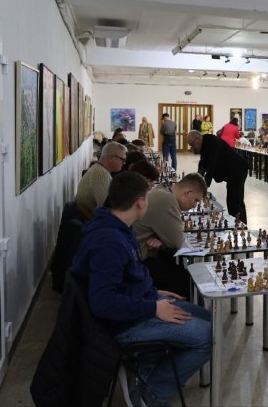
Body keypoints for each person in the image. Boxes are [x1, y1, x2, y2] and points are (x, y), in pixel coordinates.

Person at [71, 172, 211, 406]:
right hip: (126, 324)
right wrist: (153, 308)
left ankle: (141, 367)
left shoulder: (120, 228)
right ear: (140, 202)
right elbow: (103, 302)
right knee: (209, 336)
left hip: (142, 303)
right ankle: (148, 392)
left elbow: (130, 277)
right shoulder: (109, 241)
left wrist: (154, 292)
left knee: (206, 317)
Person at [134, 173, 207, 298]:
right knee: (187, 280)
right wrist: (166, 240)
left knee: (173, 262)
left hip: (139, 255)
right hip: (138, 263)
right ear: (188, 192)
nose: (195, 205)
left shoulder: (163, 190)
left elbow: (172, 236)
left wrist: (162, 240)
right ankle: (186, 309)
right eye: (196, 200)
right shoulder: (166, 199)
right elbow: (178, 241)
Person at [187, 130, 249, 223]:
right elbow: (203, 163)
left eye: (192, 145)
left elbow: (211, 166)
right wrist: (198, 179)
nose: (192, 148)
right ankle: (241, 224)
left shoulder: (212, 143)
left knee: (234, 202)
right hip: (234, 170)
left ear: (197, 140)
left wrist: (203, 188)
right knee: (236, 200)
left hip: (237, 169)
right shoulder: (205, 143)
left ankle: (239, 226)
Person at [75, 141, 127, 220]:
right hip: (92, 222)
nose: (124, 163)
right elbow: (108, 210)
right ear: (111, 158)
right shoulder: (101, 175)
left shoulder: (98, 169)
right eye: (122, 159)